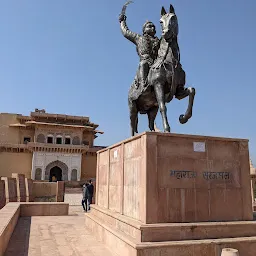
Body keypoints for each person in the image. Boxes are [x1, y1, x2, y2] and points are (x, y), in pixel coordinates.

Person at [119, 14, 159, 89]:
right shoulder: (138, 38)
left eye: (153, 26)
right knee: (143, 63)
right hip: (146, 62)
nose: (152, 28)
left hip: (157, 63)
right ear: (144, 30)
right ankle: (143, 85)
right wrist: (122, 21)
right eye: (149, 26)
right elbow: (126, 32)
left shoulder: (158, 41)